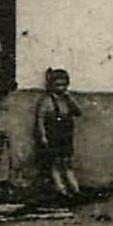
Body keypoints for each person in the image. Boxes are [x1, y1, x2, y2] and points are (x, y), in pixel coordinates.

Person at [34, 67, 83, 202]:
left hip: (65, 135)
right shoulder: (46, 101)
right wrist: (43, 136)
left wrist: (70, 98)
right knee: (55, 164)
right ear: (51, 85)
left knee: (67, 163)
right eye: (57, 85)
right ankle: (61, 190)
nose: (60, 88)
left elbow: (78, 112)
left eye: (63, 85)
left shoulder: (66, 100)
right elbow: (40, 120)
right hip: (53, 135)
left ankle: (75, 190)